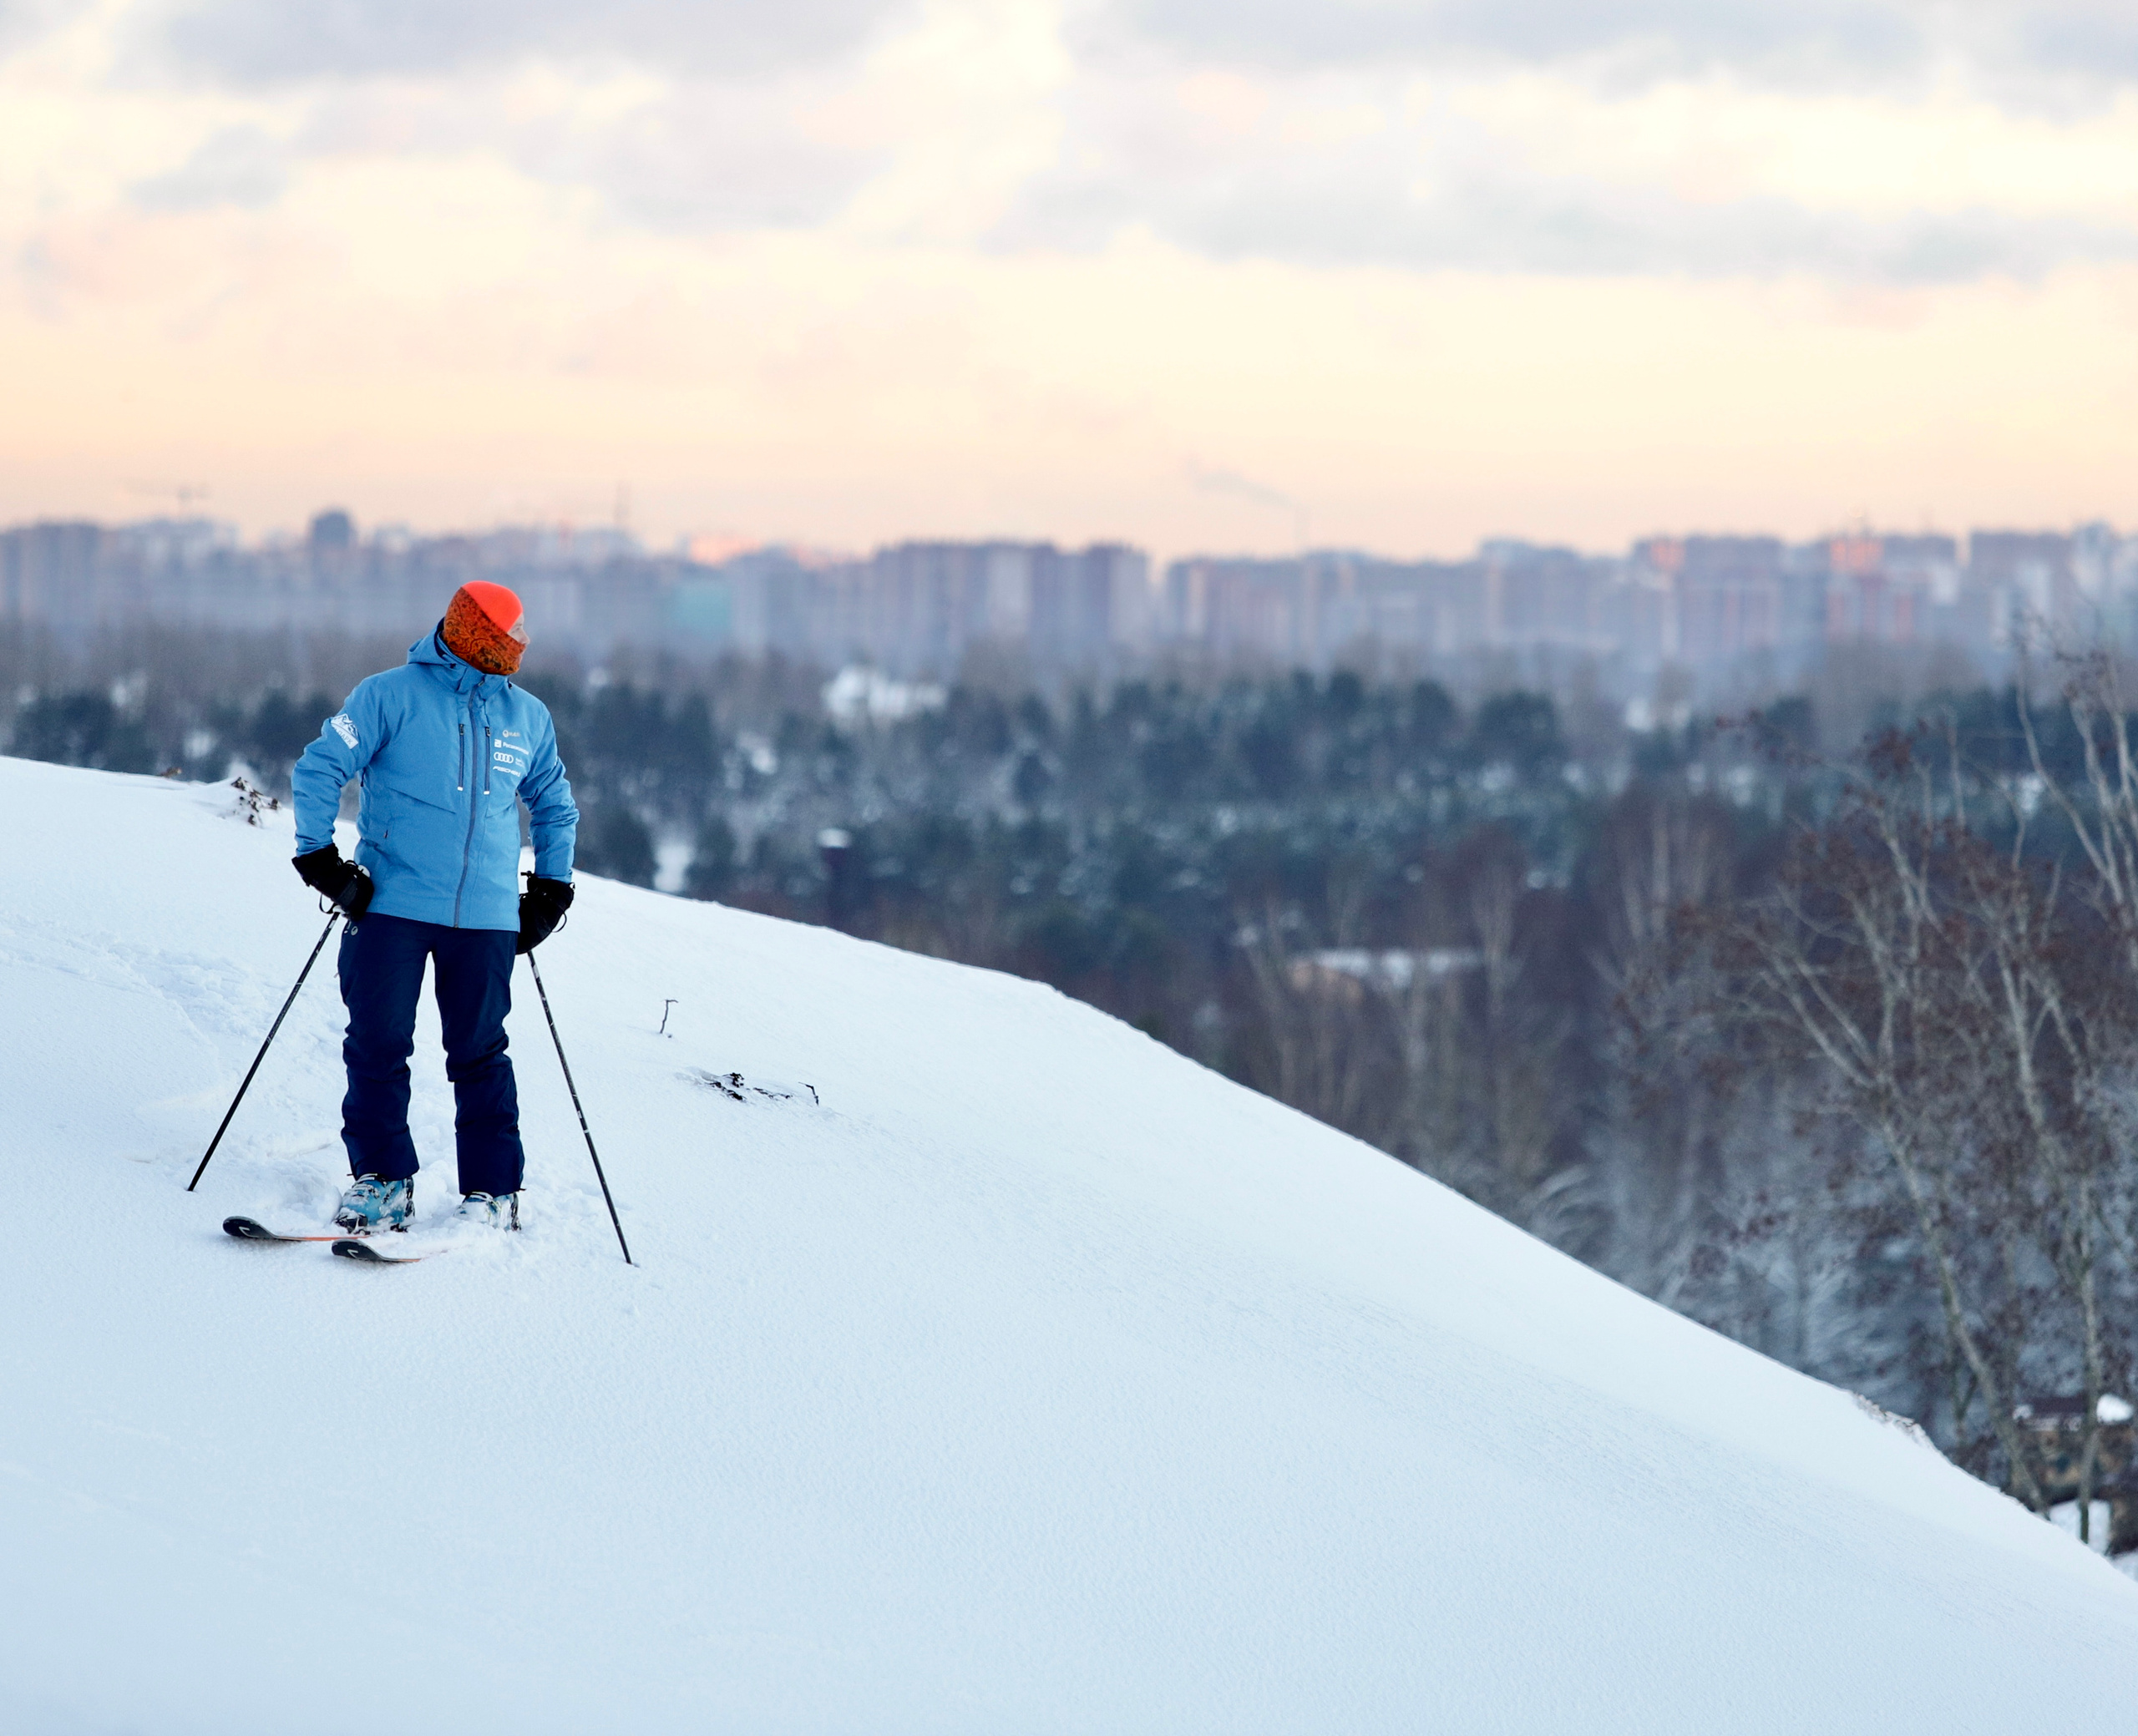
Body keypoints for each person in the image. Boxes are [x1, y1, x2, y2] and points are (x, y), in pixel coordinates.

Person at [288, 581, 578, 1234]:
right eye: (507, 636)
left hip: (486, 917)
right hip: (391, 904)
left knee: (480, 1053)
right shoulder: (388, 695)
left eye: (521, 636)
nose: (517, 647)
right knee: (377, 1044)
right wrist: (320, 858)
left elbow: (555, 804)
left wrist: (551, 890)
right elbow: (319, 768)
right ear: (474, 633)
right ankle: (383, 1180)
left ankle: (493, 1191)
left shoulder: (526, 716)